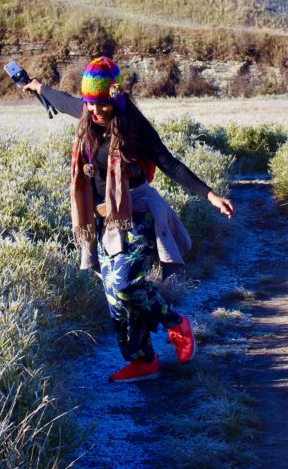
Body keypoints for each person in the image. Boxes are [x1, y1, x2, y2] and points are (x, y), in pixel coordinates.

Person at [24, 57, 234, 383]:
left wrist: (209, 195)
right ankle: (143, 359)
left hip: (137, 213)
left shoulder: (132, 124)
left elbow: (168, 162)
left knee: (124, 286)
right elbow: (64, 101)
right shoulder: (87, 113)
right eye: (90, 104)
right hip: (105, 222)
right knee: (113, 296)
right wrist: (38, 87)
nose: (95, 111)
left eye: (102, 105)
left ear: (116, 96)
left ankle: (176, 323)